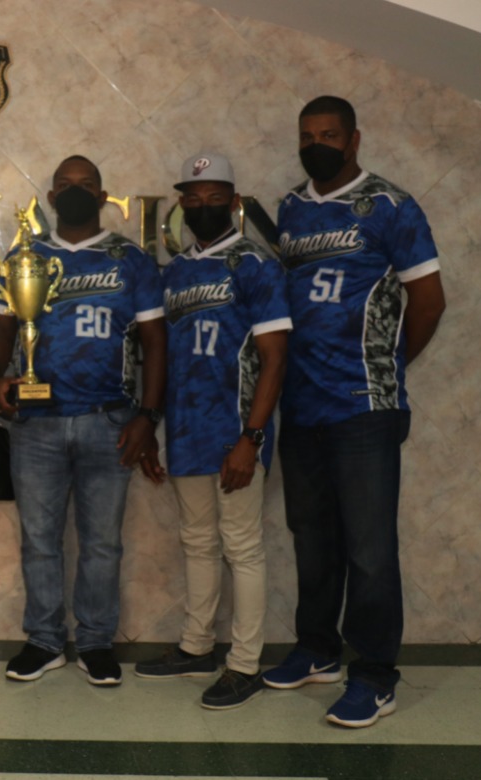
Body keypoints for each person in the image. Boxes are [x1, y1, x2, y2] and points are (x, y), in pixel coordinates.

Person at [264, 96, 446, 728]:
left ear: (354, 140)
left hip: (364, 405)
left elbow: (429, 301)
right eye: (307, 135)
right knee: (313, 539)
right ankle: (318, 649)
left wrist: (389, 364)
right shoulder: (290, 208)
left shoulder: (391, 206)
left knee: (370, 549)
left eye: (329, 135)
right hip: (301, 404)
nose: (317, 144)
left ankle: (374, 675)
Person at [0, 155, 167, 687]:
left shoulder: (130, 259)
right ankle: (44, 641)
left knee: (102, 543)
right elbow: (1, 339)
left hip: (109, 421)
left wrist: (147, 416)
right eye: (65, 184)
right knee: (39, 539)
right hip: (36, 425)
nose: (75, 191)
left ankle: (95, 642)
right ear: (51, 197)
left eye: (86, 185)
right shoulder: (24, 257)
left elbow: (157, 345)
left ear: (103, 196)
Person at [132, 153, 290, 710]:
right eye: (194, 198)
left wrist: (252, 437)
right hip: (185, 429)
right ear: (181, 203)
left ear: (234, 202)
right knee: (198, 542)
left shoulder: (255, 263)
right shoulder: (175, 272)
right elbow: (161, 356)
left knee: (242, 547)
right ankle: (197, 646)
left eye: (215, 197)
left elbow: (275, 358)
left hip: (236, 429)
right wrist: (153, 425)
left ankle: (244, 664)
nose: (203, 206)